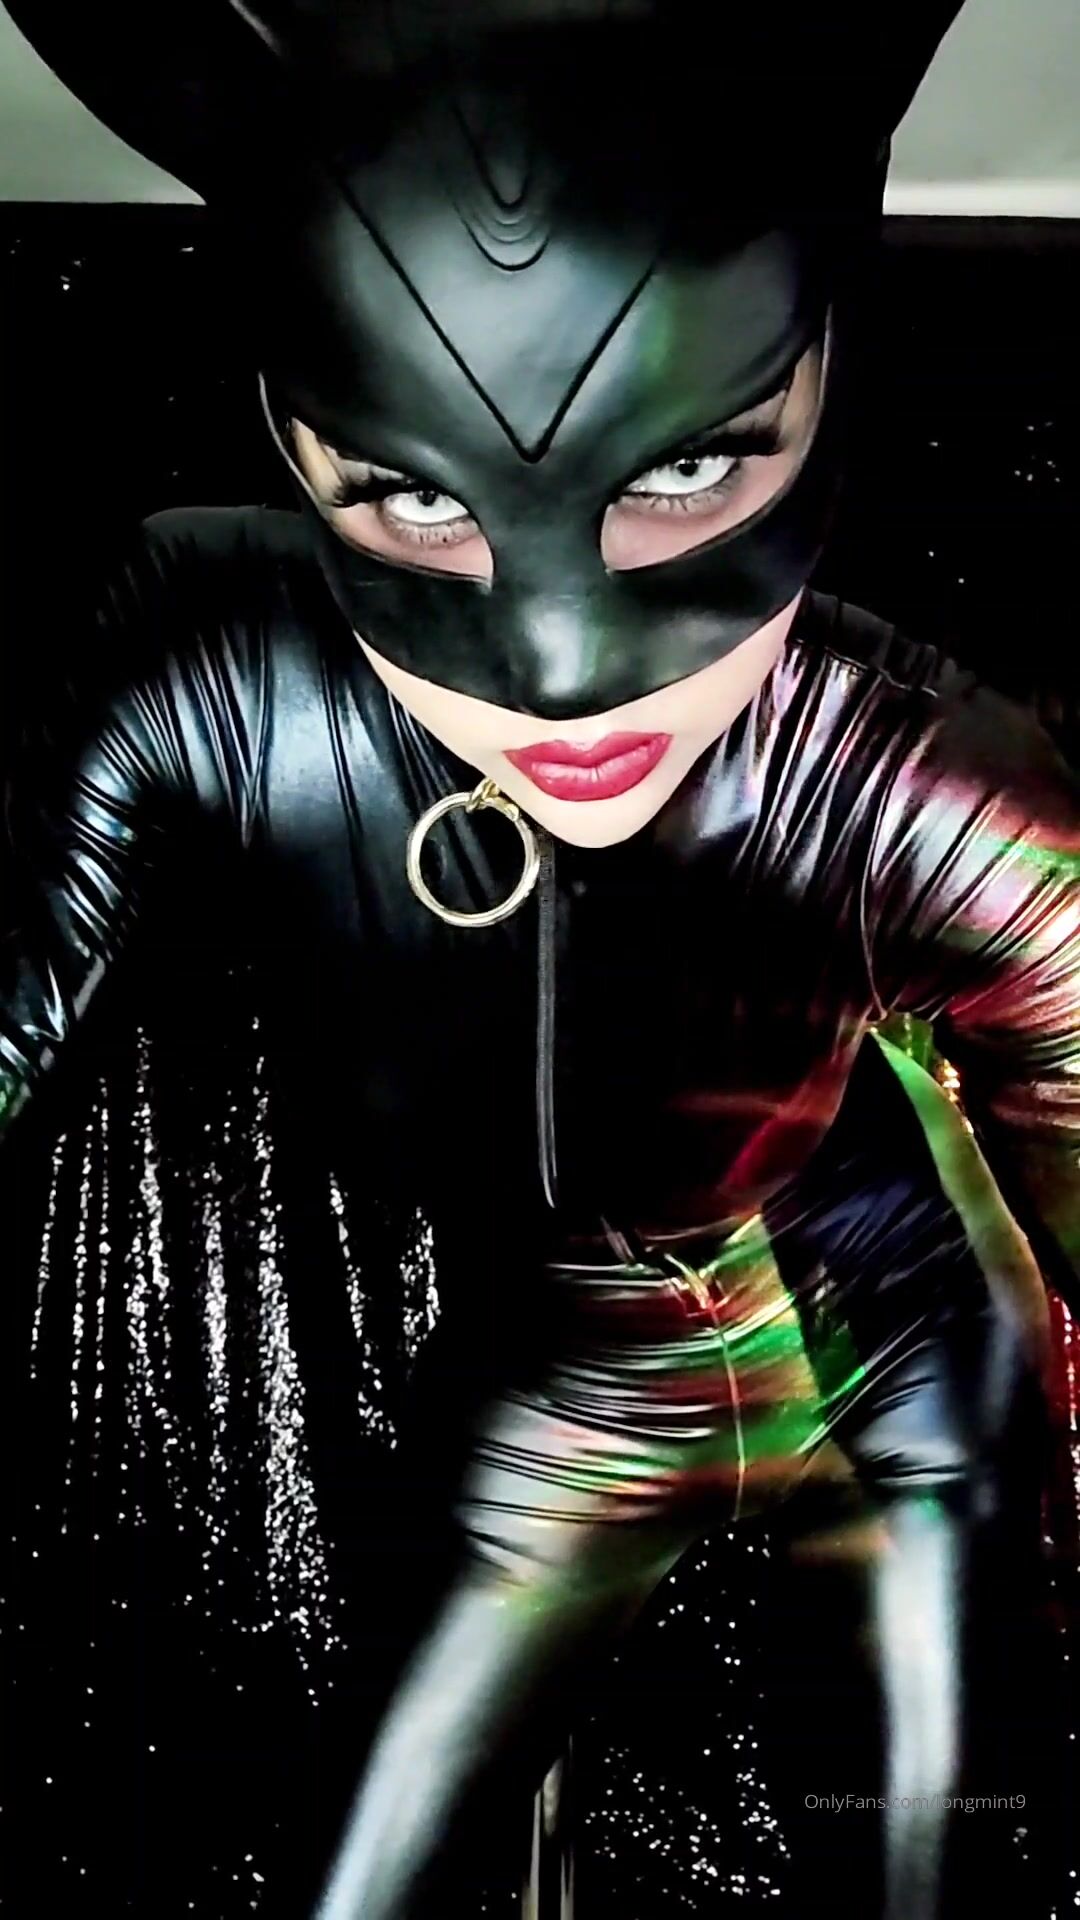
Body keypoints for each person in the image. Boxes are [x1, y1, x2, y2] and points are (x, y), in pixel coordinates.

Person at [3, 4, 1078, 1916]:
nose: (571, 677)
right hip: (578, 1390)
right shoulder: (220, 668)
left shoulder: (926, 775)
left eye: (695, 465)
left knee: (934, 1867)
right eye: (416, 494)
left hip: (907, 1385)